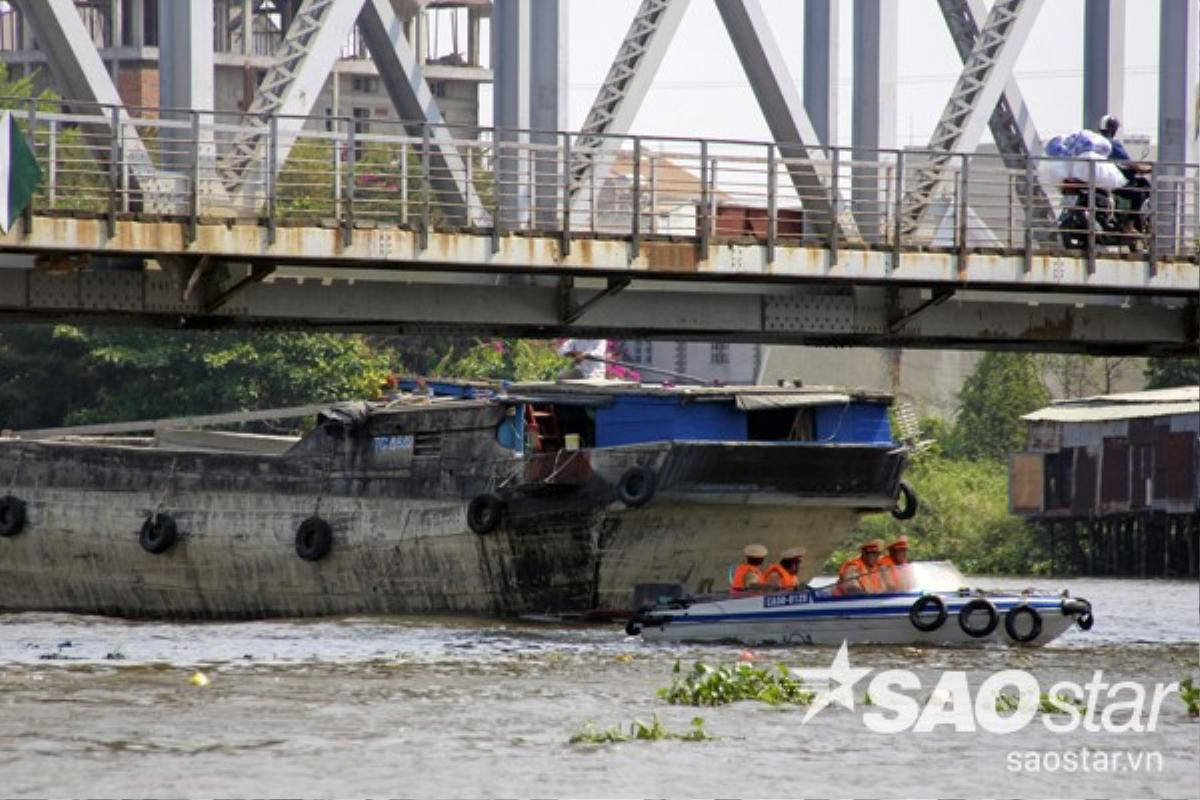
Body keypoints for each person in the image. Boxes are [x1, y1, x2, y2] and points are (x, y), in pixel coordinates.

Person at [1099, 114, 1151, 239]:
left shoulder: (1096, 142)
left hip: (1100, 180)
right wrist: (1145, 168)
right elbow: (1129, 163)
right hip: (1112, 182)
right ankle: (1129, 225)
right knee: (1138, 193)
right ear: (1113, 129)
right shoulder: (1112, 144)